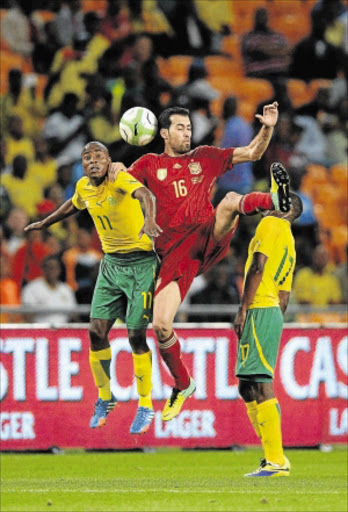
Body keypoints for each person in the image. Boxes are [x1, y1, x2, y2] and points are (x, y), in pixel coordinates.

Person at [109, 103, 291, 422]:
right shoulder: (149, 163)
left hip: (207, 235)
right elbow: (118, 189)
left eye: (189, 127)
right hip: (175, 255)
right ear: (164, 133)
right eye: (180, 128)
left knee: (230, 201)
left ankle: (275, 200)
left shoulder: (205, 157)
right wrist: (116, 169)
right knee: (162, 324)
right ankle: (183, 384)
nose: (187, 132)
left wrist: (268, 128)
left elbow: (252, 152)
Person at [24, 141, 162, 435]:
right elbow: (71, 205)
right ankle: (105, 397)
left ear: (109, 160)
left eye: (99, 155)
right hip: (111, 265)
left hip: (141, 263)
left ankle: (146, 403)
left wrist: (149, 220)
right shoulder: (84, 187)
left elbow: (147, 194)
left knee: (136, 335)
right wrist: (45, 223)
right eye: (87, 157)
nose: (93, 160)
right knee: (95, 332)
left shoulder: (119, 177)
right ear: (82, 165)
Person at [234, 190, 303, 477]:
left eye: (271, 201)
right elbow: (285, 296)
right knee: (246, 386)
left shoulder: (270, 225)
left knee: (260, 384)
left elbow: (257, 267)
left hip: (260, 308)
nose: (265, 203)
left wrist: (244, 309)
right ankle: (271, 455)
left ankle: (276, 461)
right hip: (271, 310)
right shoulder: (289, 239)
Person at [21, 255, 77, 324]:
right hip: (41, 330)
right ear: (43, 269)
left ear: (59, 270)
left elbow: (74, 315)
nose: (52, 270)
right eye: (49, 267)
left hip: (63, 329)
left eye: (54, 268)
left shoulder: (66, 289)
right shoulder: (31, 288)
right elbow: (28, 316)